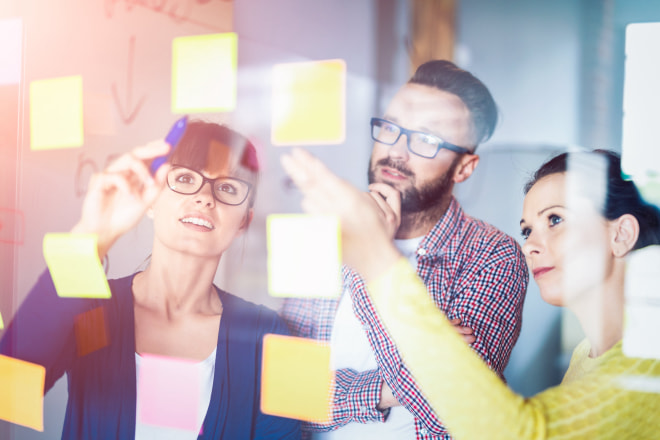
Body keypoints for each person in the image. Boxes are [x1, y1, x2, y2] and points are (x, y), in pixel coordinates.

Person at [281, 147, 660, 439]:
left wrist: (373, 260)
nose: (530, 245)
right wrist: (403, 379)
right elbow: (287, 390)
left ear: (621, 234)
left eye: (556, 219)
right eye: (527, 230)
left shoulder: (647, 365)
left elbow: (509, 430)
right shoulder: (588, 356)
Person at [0, 121, 301, 439]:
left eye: (227, 187)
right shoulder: (93, 313)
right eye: (185, 178)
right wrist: (91, 239)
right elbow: (6, 388)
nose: (204, 198)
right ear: (151, 198)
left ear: (245, 220)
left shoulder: (267, 337)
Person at [279, 60, 529, 439]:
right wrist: (397, 386)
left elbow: (453, 410)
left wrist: (370, 255)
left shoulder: (492, 255)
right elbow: (286, 394)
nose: (397, 151)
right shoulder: (321, 238)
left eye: (426, 139)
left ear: (464, 167)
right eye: (391, 127)